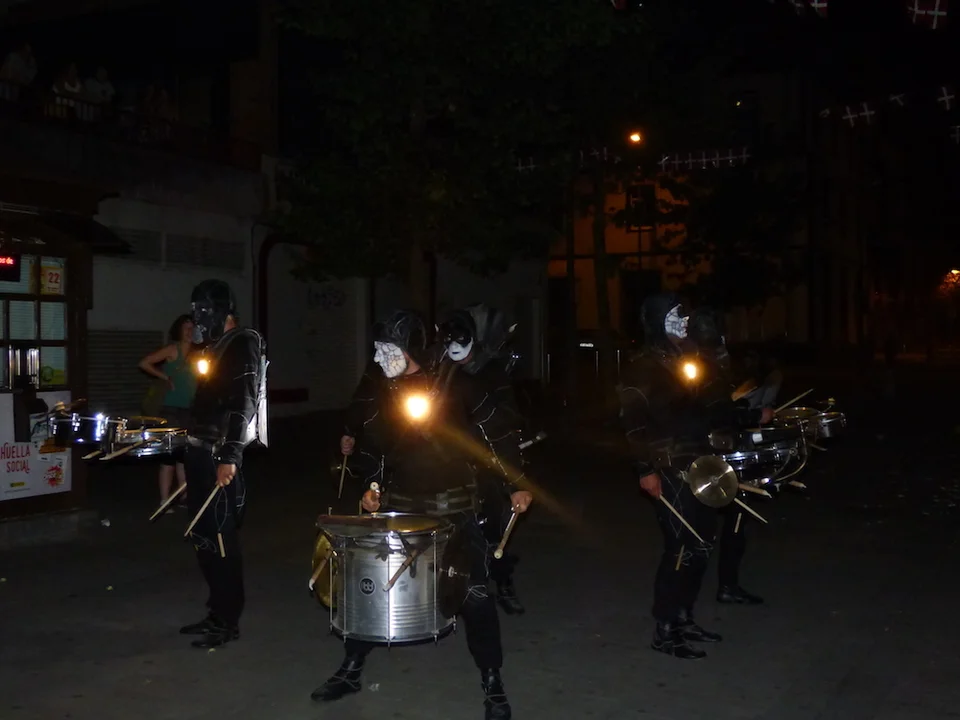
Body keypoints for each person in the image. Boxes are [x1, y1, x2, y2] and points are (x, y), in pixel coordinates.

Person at [314, 310, 531, 720]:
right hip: (401, 505)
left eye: (388, 349)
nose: (379, 358)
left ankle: (492, 681)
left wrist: (516, 481)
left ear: (410, 348)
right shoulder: (384, 390)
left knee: (473, 592)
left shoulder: (455, 383)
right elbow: (375, 445)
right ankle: (352, 668)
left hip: (454, 507)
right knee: (370, 585)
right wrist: (372, 487)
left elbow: (496, 432)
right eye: (378, 349)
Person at [617, 294, 771, 660]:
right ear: (658, 321)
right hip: (669, 466)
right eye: (675, 315)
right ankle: (664, 628)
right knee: (679, 547)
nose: (684, 322)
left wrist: (745, 417)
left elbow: (708, 410)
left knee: (701, 543)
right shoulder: (642, 367)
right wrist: (645, 470)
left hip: (700, 464)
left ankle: (683, 617)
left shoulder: (684, 361)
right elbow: (633, 424)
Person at [178, 280, 268, 649]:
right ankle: (216, 611)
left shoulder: (243, 343)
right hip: (200, 452)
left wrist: (230, 456)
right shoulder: (217, 347)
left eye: (203, 311)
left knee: (220, 540)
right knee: (203, 537)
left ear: (220, 310)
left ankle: (228, 620)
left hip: (218, 455)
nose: (197, 319)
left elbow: (243, 403)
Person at [438, 303, 526, 615]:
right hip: (450, 459)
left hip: (485, 458)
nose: (454, 346)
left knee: (492, 527)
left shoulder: (491, 370)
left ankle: (503, 583)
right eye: (449, 339)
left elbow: (506, 417)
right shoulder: (443, 370)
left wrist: (483, 422)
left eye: (460, 338)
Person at [688, 306, 765, 606]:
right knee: (728, 522)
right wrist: (754, 415)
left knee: (719, 523)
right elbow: (716, 413)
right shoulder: (704, 366)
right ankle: (720, 589)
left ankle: (709, 591)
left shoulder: (696, 364)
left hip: (704, 454)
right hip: (712, 456)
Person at [138, 314, 199, 508]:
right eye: (186, 328)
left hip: (189, 409)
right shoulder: (173, 349)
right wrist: (165, 377)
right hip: (171, 409)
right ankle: (164, 500)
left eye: (192, 328)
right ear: (179, 330)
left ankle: (184, 496)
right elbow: (144, 362)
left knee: (184, 454)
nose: (189, 332)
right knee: (169, 455)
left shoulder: (198, 353)